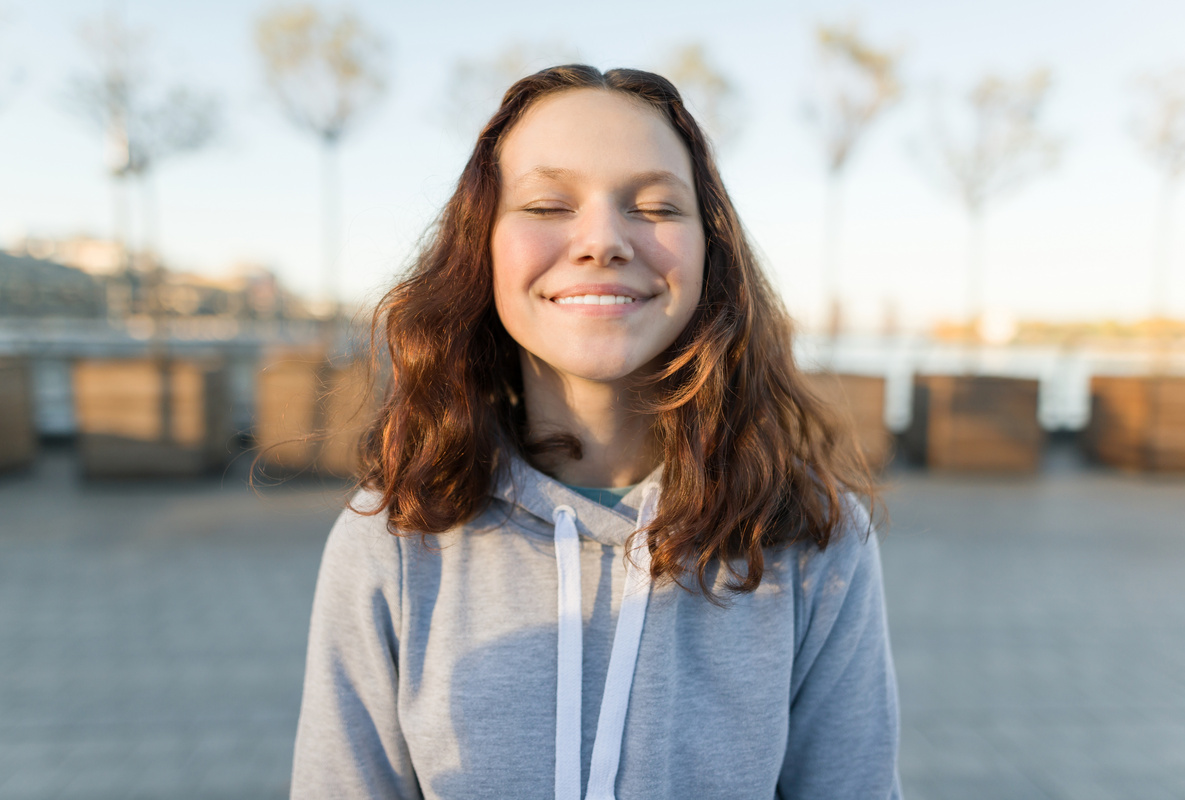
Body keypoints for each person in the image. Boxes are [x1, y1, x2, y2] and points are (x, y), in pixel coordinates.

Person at [291, 64, 902, 800]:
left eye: (655, 206)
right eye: (548, 203)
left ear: (711, 253)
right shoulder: (393, 539)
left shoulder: (814, 541)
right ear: (478, 247)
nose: (603, 240)